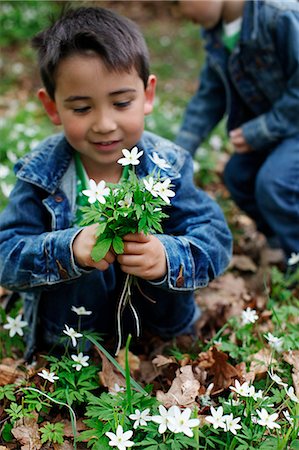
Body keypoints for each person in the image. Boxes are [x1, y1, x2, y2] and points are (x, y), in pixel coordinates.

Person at [0, 6, 232, 359]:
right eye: (81, 108)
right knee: (88, 260)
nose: (105, 124)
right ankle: (81, 352)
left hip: (157, 338)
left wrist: (166, 256)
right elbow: (6, 255)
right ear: (52, 107)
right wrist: (69, 249)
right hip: (73, 342)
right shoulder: (41, 173)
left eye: (122, 102)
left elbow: (215, 236)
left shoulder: (165, 165)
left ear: (147, 95)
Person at [176, 0, 299, 261]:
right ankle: (279, 243)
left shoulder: (280, 15)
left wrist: (261, 130)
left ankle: (296, 253)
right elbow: (209, 96)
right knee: (237, 175)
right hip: (278, 130)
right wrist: (176, 154)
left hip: (290, 124)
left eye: (178, 2)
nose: (180, 13)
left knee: (275, 183)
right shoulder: (217, 33)